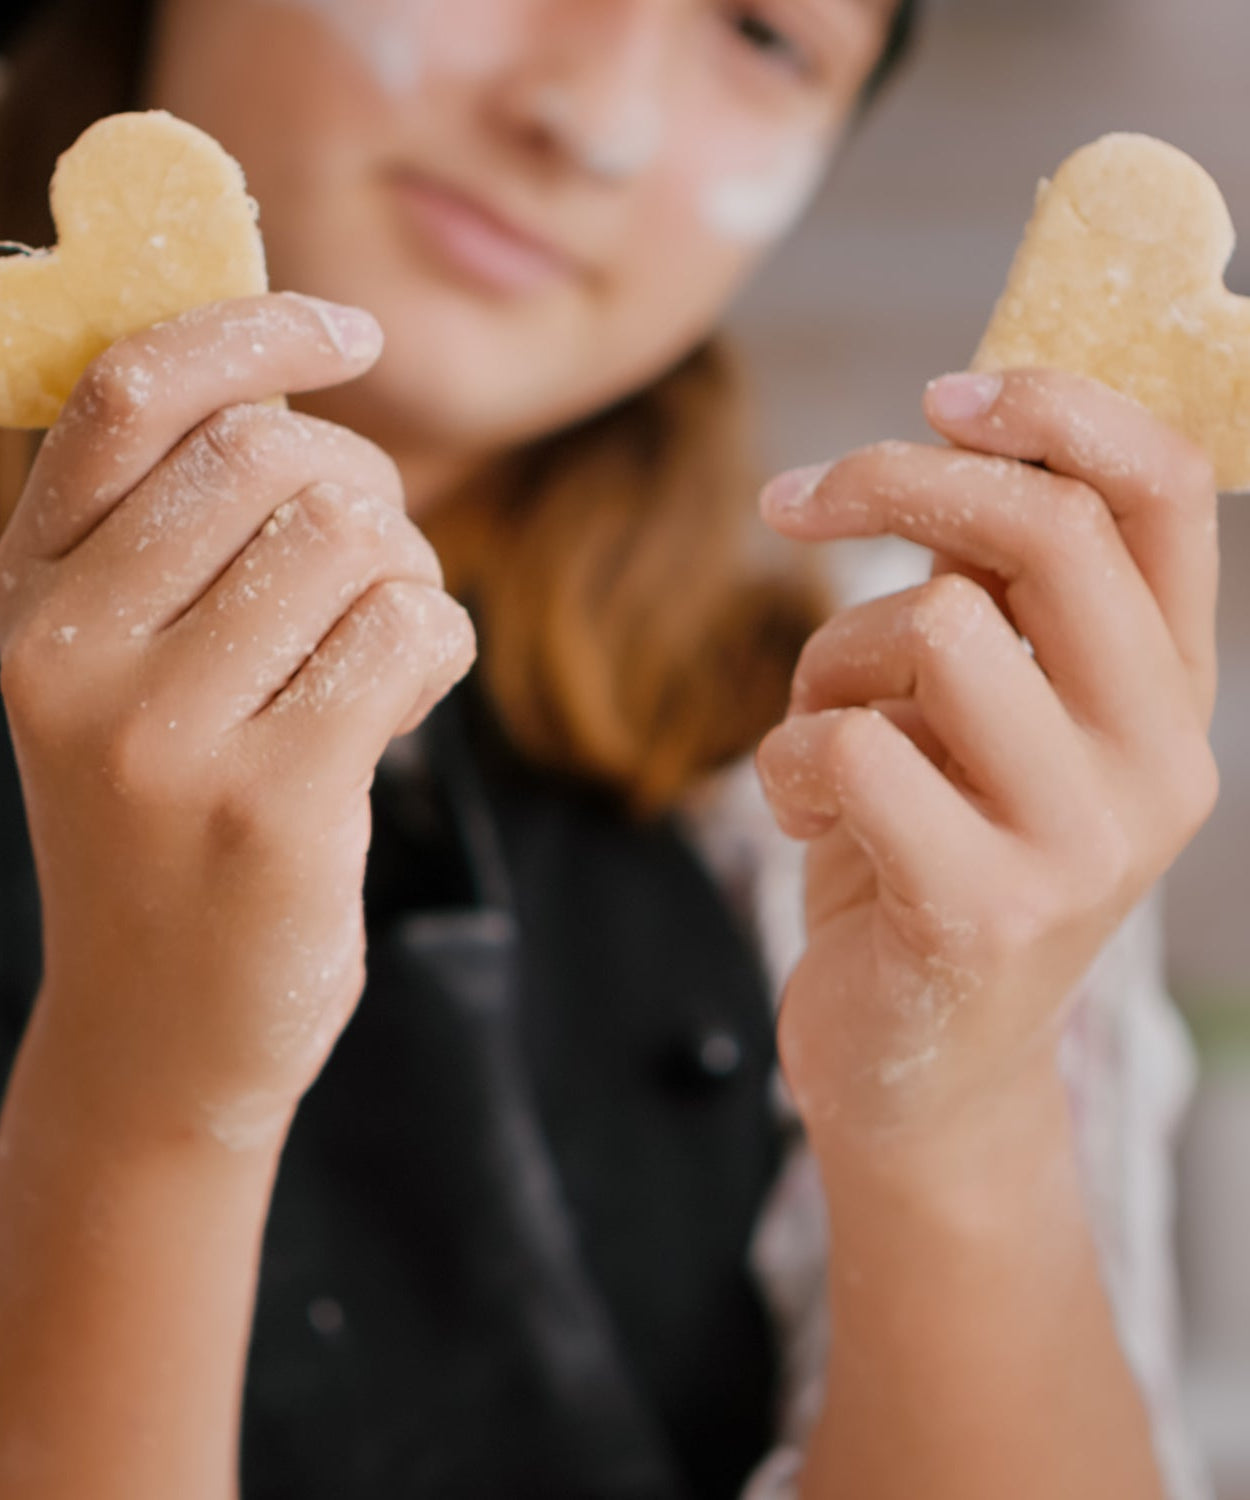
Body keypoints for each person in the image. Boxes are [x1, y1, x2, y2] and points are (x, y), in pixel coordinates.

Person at [0, 1, 1222, 1497]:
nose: (592, 116)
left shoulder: (898, 751)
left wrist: (953, 1112)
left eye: (766, 36)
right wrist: (147, 1101)